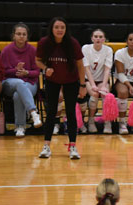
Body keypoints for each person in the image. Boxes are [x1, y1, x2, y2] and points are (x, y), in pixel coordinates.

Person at [36, 17, 86, 159]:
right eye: (56, 27)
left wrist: (83, 85)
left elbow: (80, 65)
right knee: (51, 112)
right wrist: (45, 68)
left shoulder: (73, 43)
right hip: (53, 81)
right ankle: (46, 146)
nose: (59, 30)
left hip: (71, 81)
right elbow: (37, 61)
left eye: (62, 27)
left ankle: (73, 147)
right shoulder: (44, 42)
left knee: (70, 112)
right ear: (52, 29)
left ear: (66, 29)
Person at [1, 23, 42, 138]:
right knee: (19, 83)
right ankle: (33, 112)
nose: (21, 36)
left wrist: (27, 73)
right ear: (13, 36)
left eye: (24, 34)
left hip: (29, 83)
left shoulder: (33, 50)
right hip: (10, 82)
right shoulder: (6, 50)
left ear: (27, 36)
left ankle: (20, 126)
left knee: (18, 94)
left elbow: (37, 72)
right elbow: (2, 72)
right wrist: (15, 70)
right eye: (18, 34)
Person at [82, 28, 113, 134]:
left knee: (106, 95)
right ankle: (91, 121)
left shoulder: (108, 50)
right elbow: (86, 69)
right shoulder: (86, 48)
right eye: (96, 37)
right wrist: (93, 85)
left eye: (100, 37)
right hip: (89, 79)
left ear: (104, 39)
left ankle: (107, 122)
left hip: (102, 79)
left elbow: (107, 69)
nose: (98, 39)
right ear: (92, 38)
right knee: (94, 95)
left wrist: (103, 85)